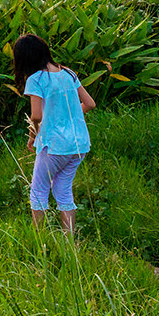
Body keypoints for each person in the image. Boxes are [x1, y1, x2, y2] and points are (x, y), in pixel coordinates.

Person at [13, 33, 95, 234]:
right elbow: (90, 103)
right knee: (63, 191)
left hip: (54, 145)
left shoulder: (36, 79)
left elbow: (36, 115)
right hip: (78, 144)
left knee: (38, 191)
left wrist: (32, 137)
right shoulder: (68, 73)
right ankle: (69, 243)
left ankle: (38, 239)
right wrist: (67, 117)